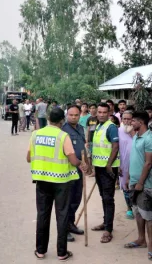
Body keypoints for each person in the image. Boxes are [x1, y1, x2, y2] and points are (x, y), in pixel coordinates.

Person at [27, 108, 87, 261]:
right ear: (62, 120)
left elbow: (29, 158)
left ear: (47, 118)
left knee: (42, 215)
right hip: (61, 182)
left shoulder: (35, 134)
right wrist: (82, 164)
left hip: (41, 181)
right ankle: (62, 253)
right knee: (62, 215)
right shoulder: (63, 136)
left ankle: (40, 251)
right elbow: (73, 161)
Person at [124, 111, 152, 259]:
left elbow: (148, 163)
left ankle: (151, 247)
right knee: (138, 213)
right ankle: (141, 240)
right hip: (134, 182)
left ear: (140, 123)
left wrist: (141, 182)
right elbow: (133, 158)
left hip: (145, 184)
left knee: (148, 215)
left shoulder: (149, 138)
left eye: (133, 121)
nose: (130, 123)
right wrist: (129, 177)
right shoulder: (135, 137)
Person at [91, 103, 120, 243]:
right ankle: (106, 223)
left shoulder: (111, 127)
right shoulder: (98, 126)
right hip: (99, 167)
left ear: (109, 113)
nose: (101, 114)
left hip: (108, 168)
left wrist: (109, 165)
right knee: (103, 196)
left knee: (108, 199)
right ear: (96, 113)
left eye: (104, 112)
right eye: (99, 112)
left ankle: (108, 230)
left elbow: (115, 146)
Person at [62, 105, 88, 242]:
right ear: (67, 115)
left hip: (79, 170)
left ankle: (71, 224)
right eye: (71, 115)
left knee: (76, 199)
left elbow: (83, 148)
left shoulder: (80, 128)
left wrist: (87, 163)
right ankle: (64, 230)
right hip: (67, 172)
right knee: (67, 201)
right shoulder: (63, 130)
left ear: (80, 115)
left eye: (76, 115)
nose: (73, 117)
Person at [118, 111, 134, 219]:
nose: (127, 121)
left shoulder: (138, 132)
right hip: (123, 164)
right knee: (125, 187)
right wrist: (118, 164)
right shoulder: (118, 131)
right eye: (124, 119)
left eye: (129, 119)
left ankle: (137, 207)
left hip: (136, 164)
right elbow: (115, 148)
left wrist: (132, 132)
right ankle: (129, 208)